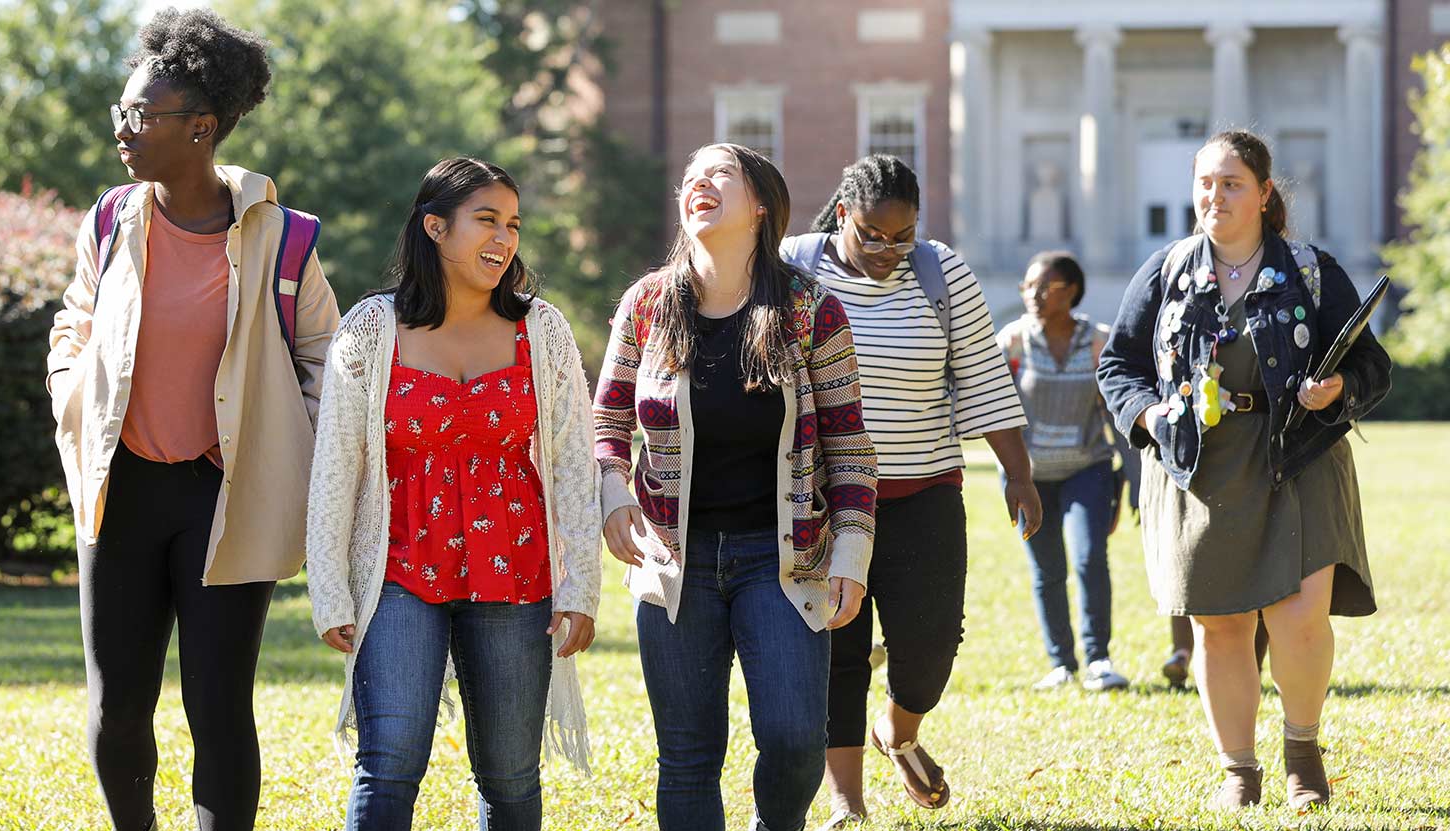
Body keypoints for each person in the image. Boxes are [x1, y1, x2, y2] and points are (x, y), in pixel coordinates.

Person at [45, 10, 340, 830]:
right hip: (123, 491)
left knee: (219, 707)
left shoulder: (284, 238)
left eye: (142, 115)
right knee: (120, 706)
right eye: (122, 112)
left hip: (226, 499)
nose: (124, 129)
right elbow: (75, 320)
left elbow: (327, 359)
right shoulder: (110, 220)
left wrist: (290, 453)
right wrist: (71, 384)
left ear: (202, 128)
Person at [304, 157, 602, 831]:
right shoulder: (370, 328)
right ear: (435, 228)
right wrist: (330, 586)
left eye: (514, 224)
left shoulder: (542, 329)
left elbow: (573, 468)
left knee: (509, 773)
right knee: (389, 760)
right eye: (487, 220)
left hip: (518, 575)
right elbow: (335, 468)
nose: (504, 238)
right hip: (399, 570)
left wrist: (578, 585)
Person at [1098, 129, 1389, 810]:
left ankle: (1301, 753)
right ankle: (1239, 769)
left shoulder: (1310, 271)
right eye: (1205, 182)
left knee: (1301, 618)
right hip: (1198, 465)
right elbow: (1119, 368)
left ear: (1263, 195)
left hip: (1299, 456)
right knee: (1220, 625)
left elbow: (1372, 366)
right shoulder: (1167, 270)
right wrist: (1150, 416)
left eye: (1230, 183)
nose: (1214, 195)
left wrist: (1337, 388)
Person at [594, 143, 878, 831]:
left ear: (761, 205)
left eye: (718, 173)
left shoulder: (812, 310)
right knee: (688, 755)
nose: (698, 183)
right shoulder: (647, 304)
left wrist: (852, 554)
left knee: (791, 739)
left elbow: (848, 441)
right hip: (673, 561)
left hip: (782, 561)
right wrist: (613, 490)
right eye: (689, 176)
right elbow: (605, 418)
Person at [779, 154, 1042, 828]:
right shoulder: (793, 268)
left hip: (924, 487)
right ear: (843, 214)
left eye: (903, 237)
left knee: (931, 644)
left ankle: (897, 730)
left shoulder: (939, 272)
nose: (889, 251)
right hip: (825, 500)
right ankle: (848, 798)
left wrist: (1018, 473)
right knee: (838, 647)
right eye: (872, 235)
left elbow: (983, 373)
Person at [997, 251, 1131, 691]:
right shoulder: (1013, 342)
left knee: (1090, 557)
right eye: (1027, 287)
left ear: (1070, 291)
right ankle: (1060, 663)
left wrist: (1130, 479)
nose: (1032, 295)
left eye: (1044, 287)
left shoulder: (1098, 342)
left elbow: (1117, 415)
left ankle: (1098, 660)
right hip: (1029, 479)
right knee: (1047, 569)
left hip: (1087, 472)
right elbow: (992, 407)